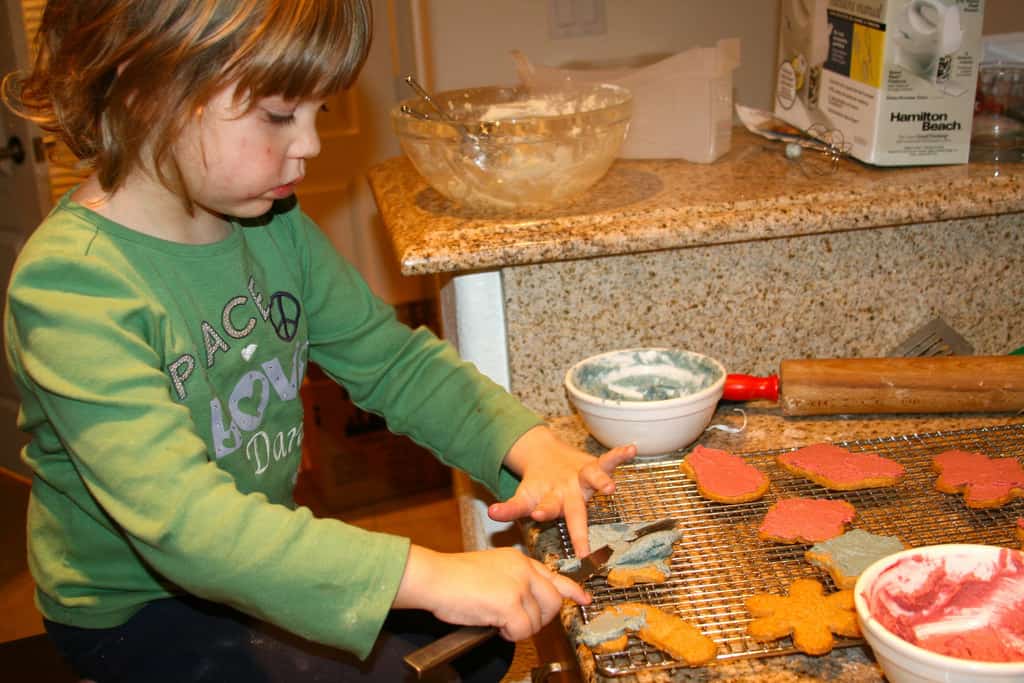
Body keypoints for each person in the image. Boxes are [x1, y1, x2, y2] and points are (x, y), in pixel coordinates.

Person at [1, 1, 637, 681]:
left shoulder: (274, 226)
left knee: (481, 645)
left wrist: (528, 443)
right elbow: (188, 526)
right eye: (279, 115)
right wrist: (432, 573)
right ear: (145, 87)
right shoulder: (73, 285)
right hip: (138, 607)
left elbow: (393, 364)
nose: (308, 145)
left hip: (249, 561)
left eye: (317, 113)